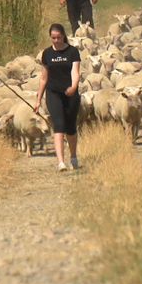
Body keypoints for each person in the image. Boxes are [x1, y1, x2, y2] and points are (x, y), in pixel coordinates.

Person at [35, 23, 81, 172]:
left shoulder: (72, 52)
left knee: (70, 127)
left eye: (58, 37)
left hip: (70, 93)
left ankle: (73, 156)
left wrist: (73, 87)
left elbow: (75, 72)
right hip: (53, 93)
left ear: (63, 36)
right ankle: (61, 162)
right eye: (53, 38)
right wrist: (38, 99)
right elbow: (43, 78)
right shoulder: (47, 54)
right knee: (58, 125)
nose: (56, 40)